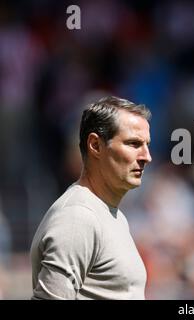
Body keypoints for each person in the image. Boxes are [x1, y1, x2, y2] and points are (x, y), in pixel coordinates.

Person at [30, 96, 152, 299]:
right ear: (95, 145)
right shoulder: (78, 217)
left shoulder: (111, 214)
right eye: (133, 144)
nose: (146, 156)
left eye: (146, 145)